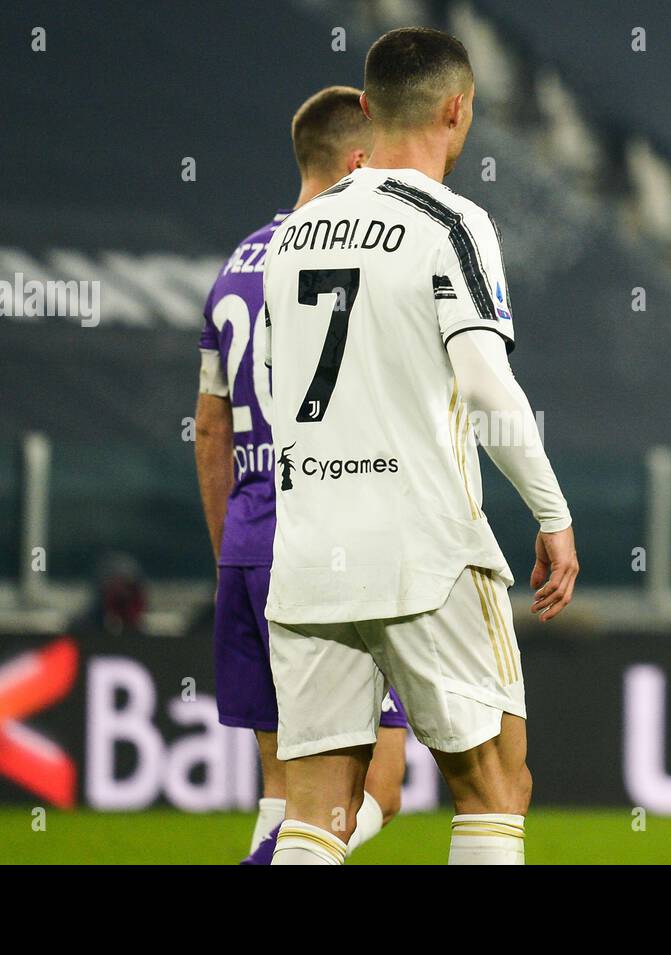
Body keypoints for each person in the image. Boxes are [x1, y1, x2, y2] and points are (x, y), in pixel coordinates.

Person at [261, 26, 577, 866]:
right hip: (423, 550)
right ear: (458, 110)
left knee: (316, 812)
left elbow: (274, 391)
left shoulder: (294, 234)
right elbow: (486, 386)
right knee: (495, 788)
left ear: (366, 108)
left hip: (309, 553)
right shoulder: (453, 222)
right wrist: (551, 512)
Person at [194, 86, 408, 864]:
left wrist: (231, 550)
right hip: (331, 549)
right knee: (373, 790)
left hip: (249, 542)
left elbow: (210, 427)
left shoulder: (236, 264)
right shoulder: (353, 257)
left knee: (284, 792)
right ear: (357, 162)